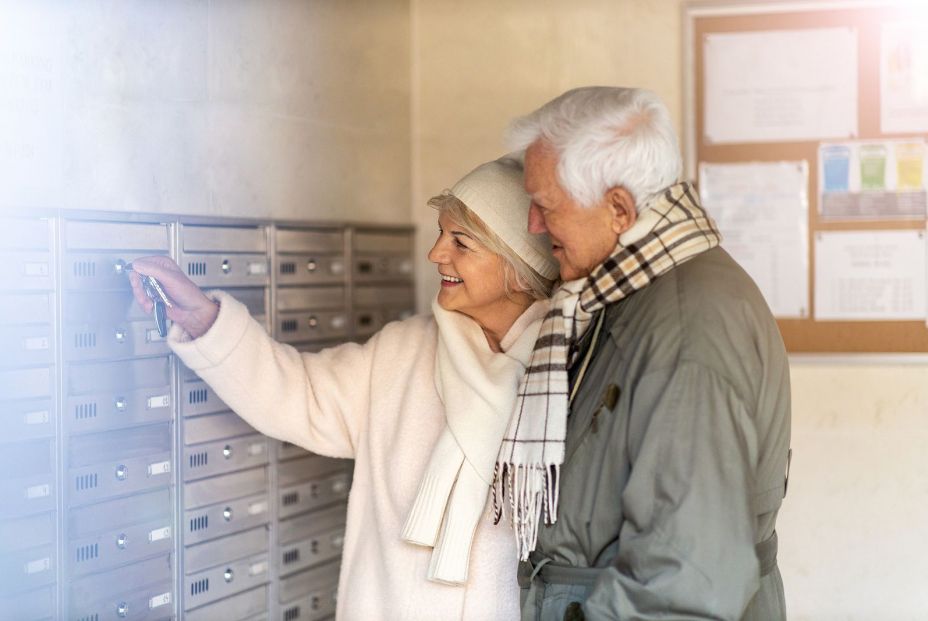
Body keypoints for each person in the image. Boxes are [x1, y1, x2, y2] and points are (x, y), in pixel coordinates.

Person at [129, 155, 560, 621]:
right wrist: (203, 320)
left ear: (517, 265)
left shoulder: (563, 371)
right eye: (440, 233)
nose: (436, 253)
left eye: (461, 242)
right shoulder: (404, 351)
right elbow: (295, 395)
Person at [492, 87, 791, 620]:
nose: (534, 225)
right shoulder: (633, 290)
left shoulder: (684, 327)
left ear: (618, 209)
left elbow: (683, 580)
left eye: (545, 205)